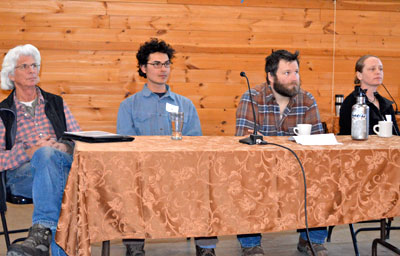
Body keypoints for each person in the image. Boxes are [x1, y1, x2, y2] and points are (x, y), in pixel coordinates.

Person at [117, 38, 217, 256]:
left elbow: (195, 145)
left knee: (206, 179)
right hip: (142, 172)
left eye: (166, 64)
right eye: (156, 64)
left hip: (180, 171)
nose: (163, 69)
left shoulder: (185, 105)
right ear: (143, 68)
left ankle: (206, 248)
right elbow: (125, 149)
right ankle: (134, 247)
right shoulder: (128, 106)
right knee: (127, 181)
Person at [235, 50, 328, 256]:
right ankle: (250, 242)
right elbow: (242, 145)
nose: (294, 78)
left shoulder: (307, 100)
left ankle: (312, 239)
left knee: (322, 176)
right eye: (287, 73)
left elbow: (318, 147)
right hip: (260, 168)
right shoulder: (252, 98)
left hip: (298, 169)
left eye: (296, 72)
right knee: (244, 178)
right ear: (271, 76)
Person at [0, 44, 80, 256]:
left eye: (34, 65)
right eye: (24, 66)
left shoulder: (56, 103)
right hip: (22, 177)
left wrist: (61, 146)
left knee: (50, 158)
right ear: (11, 75)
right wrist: (30, 152)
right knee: (44, 157)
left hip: (60, 168)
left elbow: (79, 141)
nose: (31, 70)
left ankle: (40, 236)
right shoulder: (3, 113)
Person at [339, 55, 399, 136]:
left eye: (380, 69)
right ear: (359, 75)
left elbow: (396, 135)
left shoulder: (386, 105)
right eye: (372, 69)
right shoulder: (351, 103)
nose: (378, 72)